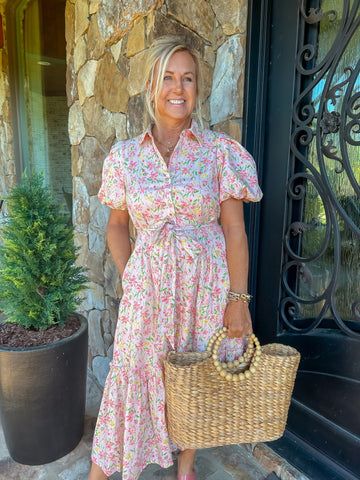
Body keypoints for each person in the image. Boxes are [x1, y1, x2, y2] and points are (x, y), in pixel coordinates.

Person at [88, 36, 262, 480]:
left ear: (198, 90)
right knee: (130, 372)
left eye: (187, 78)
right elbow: (116, 226)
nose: (178, 88)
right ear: (151, 86)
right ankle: (104, 469)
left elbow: (235, 229)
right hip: (148, 290)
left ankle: (186, 466)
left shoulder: (219, 153)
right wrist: (134, 276)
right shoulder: (125, 158)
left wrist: (238, 299)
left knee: (195, 377)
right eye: (168, 77)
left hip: (205, 287)